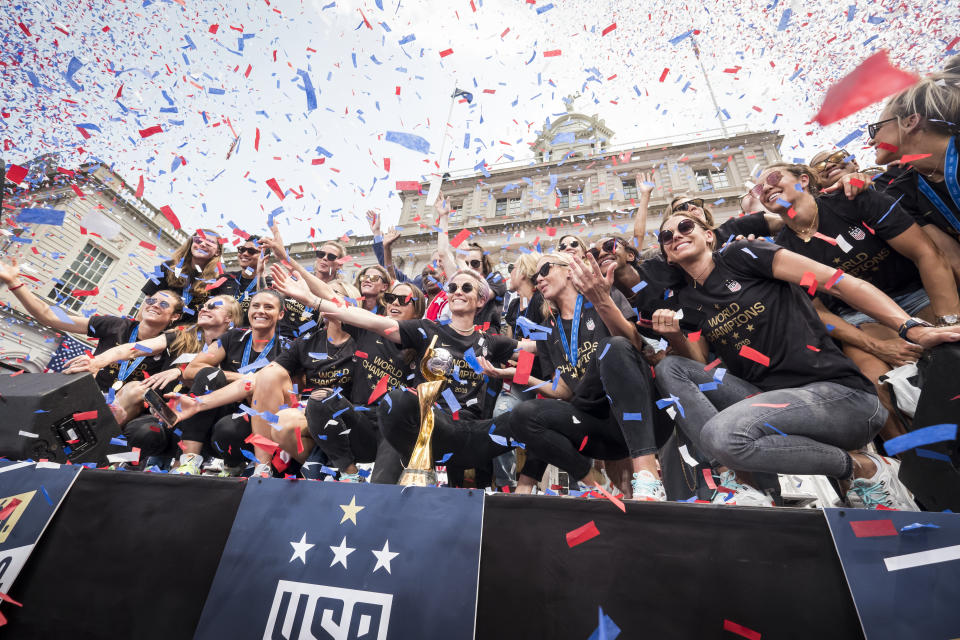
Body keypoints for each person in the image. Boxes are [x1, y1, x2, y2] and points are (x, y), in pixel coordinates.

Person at [650, 211, 960, 509]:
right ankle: (735, 479)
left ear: (708, 236)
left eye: (686, 227)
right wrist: (676, 336)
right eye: (667, 236)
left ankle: (863, 467)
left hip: (840, 396)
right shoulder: (688, 301)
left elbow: (836, 281)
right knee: (670, 367)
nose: (676, 235)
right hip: (769, 402)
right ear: (667, 255)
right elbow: (699, 365)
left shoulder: (743, 254)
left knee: (723, 434)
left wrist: (910, 327)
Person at [756, 163, 960, 439]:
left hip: (913, 292)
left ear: (804, 180)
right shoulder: (784, 250)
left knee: (950, 354)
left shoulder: (853, 201)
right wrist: (879, 346)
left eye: (772, 178)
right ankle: (917, 468)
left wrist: (949, 322)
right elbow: (819, 313)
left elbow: (926, 253)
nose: (766, 187)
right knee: (877, 388)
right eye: (759, 188)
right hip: (859, 316)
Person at [503, 253, 668, 500]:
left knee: (612, 347)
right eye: (536, 275)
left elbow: (633, 344)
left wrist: (600, 299)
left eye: (546, 269)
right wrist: (520, 374)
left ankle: (648, 475)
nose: (539, 278)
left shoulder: (605, 296)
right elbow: (563, 391)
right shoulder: (549, 328)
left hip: (641, 418)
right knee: (522, 415)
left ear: (569, 270)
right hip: (596, 427)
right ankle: (597, 484)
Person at [270, 266, 426, 482]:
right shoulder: (368, 330)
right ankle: (349, 474)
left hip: (395, 429)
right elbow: (333, 298)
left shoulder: (425, 344)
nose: (395, 303)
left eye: (404, 299)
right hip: (362, 423)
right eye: (390, 298)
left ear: (418, 311)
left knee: (380, 490)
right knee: (320, 398)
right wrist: (292, 265)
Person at [0, 256, 185, 421]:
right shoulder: (115, 325)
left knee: (137, 389)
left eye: (163, 304)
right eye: (151, 301)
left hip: (123, 418)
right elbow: (49, 316)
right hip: (86, 397)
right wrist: (14, 283)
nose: (154, 306)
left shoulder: (172, 346)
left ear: (174, 316)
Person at [171, 289, 290, 474]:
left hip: (254, 415)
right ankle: (188, 462)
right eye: (256, 306)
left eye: (269, 307)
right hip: (220, 403)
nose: (261, 311)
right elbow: (191, 370)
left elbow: (289, 395)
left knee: (228, 430)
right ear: (248, 310)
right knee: (208, 374)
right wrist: (240, 379)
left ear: (280, 314)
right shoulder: (233, 337)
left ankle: (232, 466)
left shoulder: (287, 348)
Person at [868, 54, 960, 284]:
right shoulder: (901, 191)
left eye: (875, 129)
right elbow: (953, 258)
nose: (871, 141)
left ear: (910, 122)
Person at [141, 228, 236, 324]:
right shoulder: (167, 267)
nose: (202, 244)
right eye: (198, 240)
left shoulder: (220, 280)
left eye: (209, 243)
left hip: (188, 335)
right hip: (156, 326)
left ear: (218, 252)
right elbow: (147, 303)